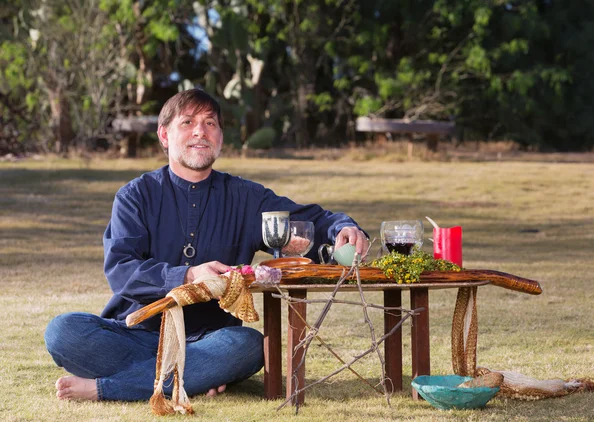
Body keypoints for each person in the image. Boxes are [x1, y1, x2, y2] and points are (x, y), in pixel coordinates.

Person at [44, 88, 369, 402]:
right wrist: (187, 276)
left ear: (220, 138)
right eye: (187, 122)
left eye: (210, 123)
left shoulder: (247, 198)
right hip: (138, 335)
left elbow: (311, 221)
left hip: (210, 341)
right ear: (164, 135)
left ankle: (111, 387)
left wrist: (344, 228)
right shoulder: (135, 196)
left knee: (249, 346)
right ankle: (195, 377)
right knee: (63, 331)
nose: (201, 131)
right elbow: (121, 270)